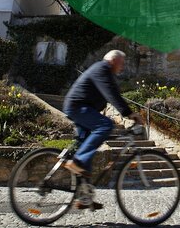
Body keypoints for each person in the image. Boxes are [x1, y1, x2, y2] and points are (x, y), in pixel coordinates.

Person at [62, 50, 145, 209]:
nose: (123, 67)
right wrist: (129, 113)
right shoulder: (102, 68)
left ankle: (84, 198)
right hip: (78, 107)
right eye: (122, 63)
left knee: (87, 149)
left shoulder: (104, 71)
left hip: (80, 108)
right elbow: (111, 94)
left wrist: (127, 111)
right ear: (114, 61)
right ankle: (77, 160)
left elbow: (114, 94)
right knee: (105, 125)